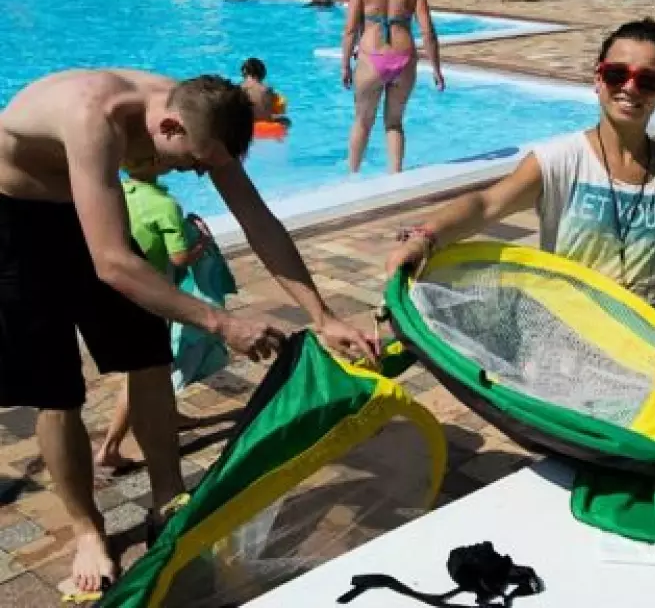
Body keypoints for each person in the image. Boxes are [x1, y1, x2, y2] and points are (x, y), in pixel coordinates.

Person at [0, 69, 377, 596]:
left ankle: (168, 500)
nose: (198, 174)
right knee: (57, 390)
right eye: (196, 163)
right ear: (170, 127)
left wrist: (323, 314)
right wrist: (222, 323)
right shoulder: (93, 117)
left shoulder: (203, 114)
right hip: (15, 222)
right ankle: (88, 530)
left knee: (149, 355)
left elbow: (257, 219)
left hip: (90, 203)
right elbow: (112, 263)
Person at [385, 18, 655, 363]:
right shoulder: (559, 161)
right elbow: (486, 204)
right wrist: (425, 237)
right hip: (561, 350)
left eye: (648, 81)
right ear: (598, 79)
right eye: (617, 74)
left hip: (646, 352)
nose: (630, 87)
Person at [94, 170, 214, 471]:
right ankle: (110, 447)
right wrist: (202, 241)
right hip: (154, 297)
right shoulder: (164, 204)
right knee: (144, 372)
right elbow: (179, 258)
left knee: (155, 365)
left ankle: (170, 415)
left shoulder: (119, 191)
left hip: (123, 292)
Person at [341, 0, 445, 176]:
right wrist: (436, 69)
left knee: (363, 121)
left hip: (372, 57)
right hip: (404, 59)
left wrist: (345, 65)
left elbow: (350, 30)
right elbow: (428, 33)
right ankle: (395, 175)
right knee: (395, 122)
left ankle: (352, 177)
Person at [240, 57, 285, 123]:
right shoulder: (267, 89)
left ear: (244, 73)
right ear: (262, 74)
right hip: (264, 124)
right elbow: (274, 110)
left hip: (245, 124)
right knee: (286, 120)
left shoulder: (239, 88)